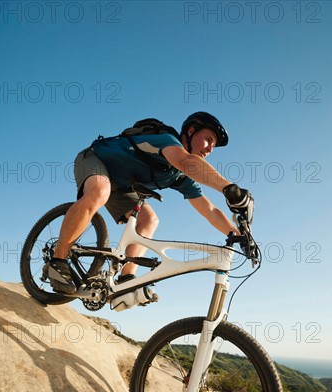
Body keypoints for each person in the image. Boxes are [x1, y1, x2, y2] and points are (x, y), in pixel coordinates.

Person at [45, 112, 252, 294]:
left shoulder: (179, 177)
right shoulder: (166, 141)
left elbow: (209, 210)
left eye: (214, 145)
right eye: (208, 139)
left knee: (150, 219)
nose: (210, 149)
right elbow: (187, 162)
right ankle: (58, 260)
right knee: (100, 191)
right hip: (96, 159)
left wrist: (236, 235)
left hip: (123, 186)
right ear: (191, 131)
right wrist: (229, 188)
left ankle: (126, 279)